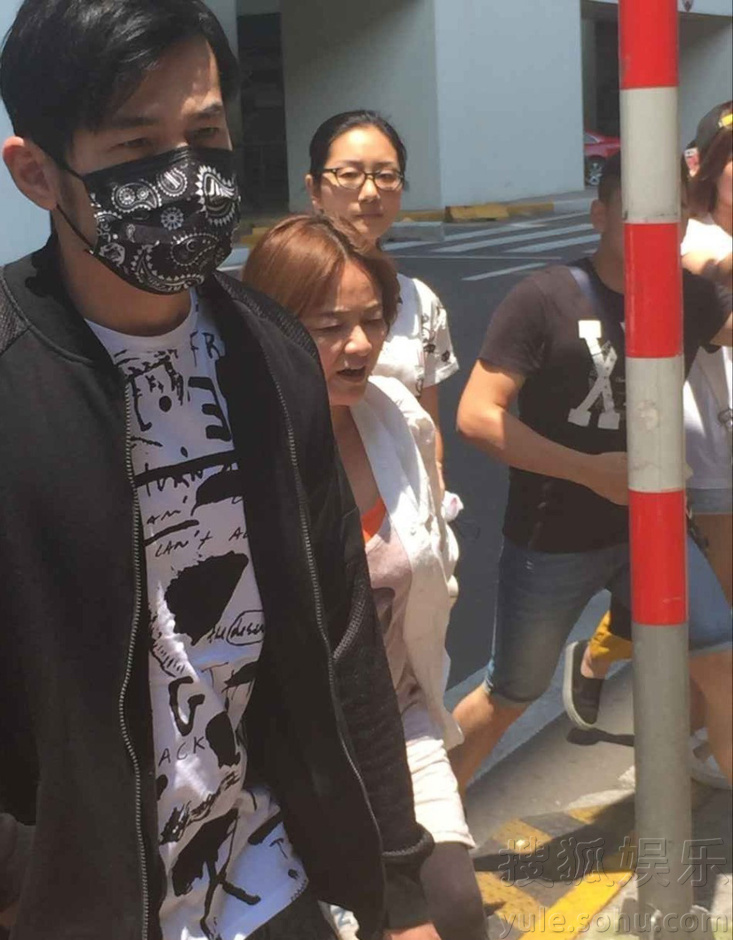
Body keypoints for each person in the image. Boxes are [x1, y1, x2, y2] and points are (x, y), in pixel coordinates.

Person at [0, 3, 442, 939]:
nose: (186, 176)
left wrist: (398, 886)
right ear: (36, 172)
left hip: (263, 877)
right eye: (136, 144)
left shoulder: (269, 348)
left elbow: (340, 633)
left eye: (204, 135)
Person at [449, 151, 733, 795]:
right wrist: (590, 471)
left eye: (672, 212)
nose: (656, 225)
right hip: (552, 539)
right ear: (601, 214)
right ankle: (415, 831)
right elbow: (476, 417)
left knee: (722, 660)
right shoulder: (543, 298)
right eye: (637, 211)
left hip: (654, 528)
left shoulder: (689, 296)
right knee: (509, 695)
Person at [242, 214, 487, 940]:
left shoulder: (396, 415)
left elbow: (432, 549)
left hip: (395, 719)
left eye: (373, 320)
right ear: (269, 324)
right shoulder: (233, 445)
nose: (359, 344)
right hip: (277, 750)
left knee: (451, 906)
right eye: (329, 326)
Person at [563, 104, 732, 788]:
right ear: (709, 166)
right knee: (708, 618)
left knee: (703, 612)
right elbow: (695, 264)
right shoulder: (687, 232)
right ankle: (679, 749)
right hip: (703, 452)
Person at [305, 111, 459, 493]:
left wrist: (434, 496)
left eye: (386, 176)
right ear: (314, 189)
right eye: (349, 174)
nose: (371, 192)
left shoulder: (420, 302)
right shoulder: (283, 292)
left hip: (404, 507)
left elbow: (428, 423)